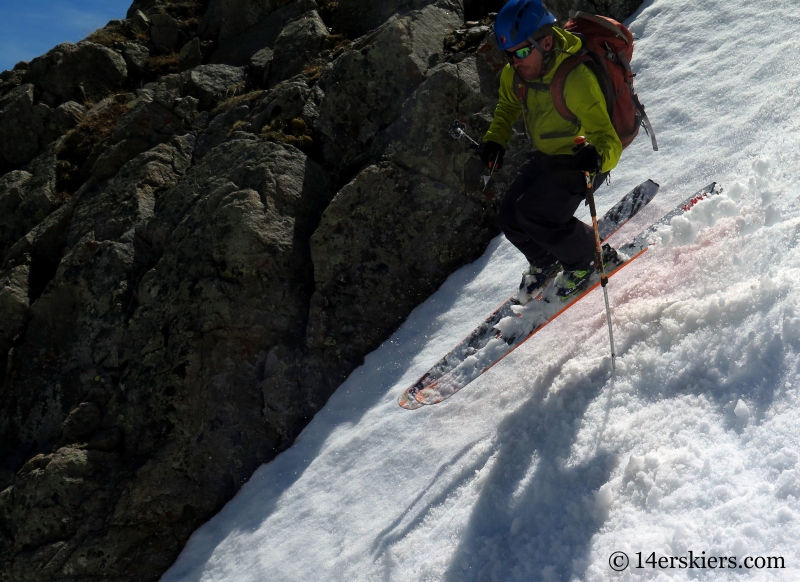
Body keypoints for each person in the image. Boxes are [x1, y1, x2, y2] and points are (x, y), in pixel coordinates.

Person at [481, 0, 623, 302]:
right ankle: (548, 262)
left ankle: (588, 259)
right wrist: (496, 139)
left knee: (536, 214)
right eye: (508, 54)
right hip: (548, 157)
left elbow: (607, 139)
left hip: (582, 159)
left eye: (521, 51)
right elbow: (507, 106)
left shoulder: (576, 78)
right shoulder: (517, 73)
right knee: (509, 217)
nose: (515, 60)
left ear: (546, 42)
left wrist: (597, 157)